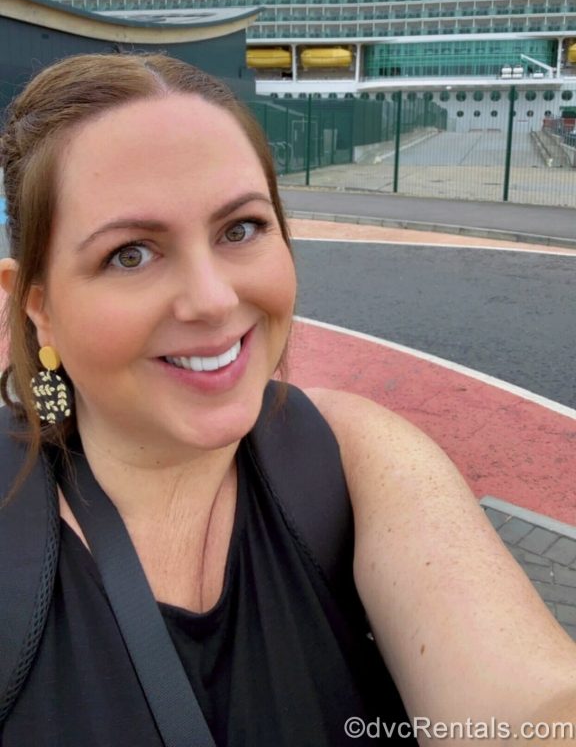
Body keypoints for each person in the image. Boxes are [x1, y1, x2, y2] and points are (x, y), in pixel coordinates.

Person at [0, 51, 575, 747]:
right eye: (131, 253)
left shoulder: (355, 457)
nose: (215, 300)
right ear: (38, 310)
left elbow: (530, 702)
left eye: (239, 229)